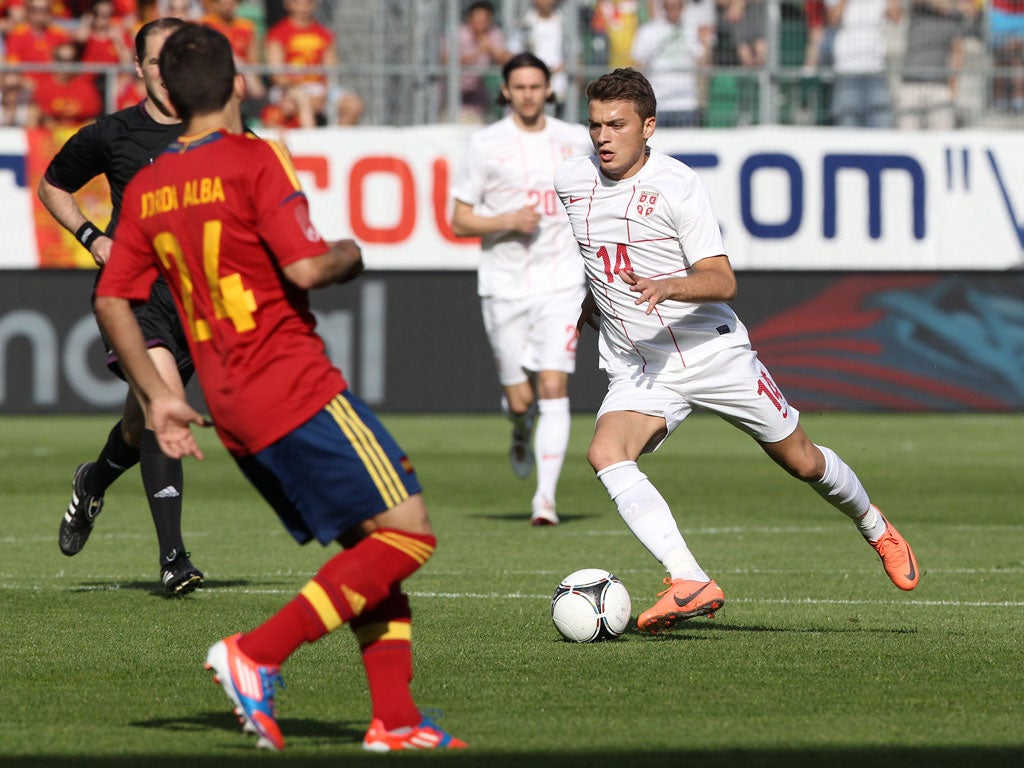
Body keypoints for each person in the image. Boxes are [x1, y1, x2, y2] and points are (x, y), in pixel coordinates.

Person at [92, 23, 467, 753]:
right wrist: (351, 253)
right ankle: (256, 653)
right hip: (292, 380)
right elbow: (304, 269)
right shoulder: (256, 159)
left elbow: (112, 299)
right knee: (410, 534)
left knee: (370, 545)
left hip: (229, 402)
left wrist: (159, 395)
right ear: (238, 84)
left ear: (164, 89)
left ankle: (395, 720)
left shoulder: (149, 186)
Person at [553, 68, 920, 634]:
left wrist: (668, 285)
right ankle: (688, 578)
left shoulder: (678, 186)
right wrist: (589, 304)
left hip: (713, 354)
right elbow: (597, 255)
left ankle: (875, 525)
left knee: (802, 460)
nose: (603, 136)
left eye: (617, 125)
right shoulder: (571, 182)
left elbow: (721, 280)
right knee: (606, 452)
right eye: (595, 124)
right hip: (643, 366)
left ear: (648, 127)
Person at [36, 16, 204, 596]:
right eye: (157, 61)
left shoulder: (223, 135)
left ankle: (93, 478)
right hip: (132, 295)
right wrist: (92, 237)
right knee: (166, 406)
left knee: (139, 424)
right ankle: (174, 560)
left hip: (194, 303)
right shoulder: (112, 133)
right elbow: (52, 185)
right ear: (138, 69)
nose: (168, 72)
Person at [450, 52, 591, 527]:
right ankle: (518, 426)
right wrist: (507, 220)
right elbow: (459, 217)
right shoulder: (486, 144)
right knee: (520, 398)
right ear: (506, 91)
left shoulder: (575, 139)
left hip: (562, 281)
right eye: (520, 87)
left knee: (553, 384)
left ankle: (544, 501)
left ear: (548, 89)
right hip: (505, 284)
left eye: (537, 86)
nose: (529, 94)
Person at [265, 0, 363, 126]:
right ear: (288, 4)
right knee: (303, 101)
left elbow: (331, 71)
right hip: (290, 88)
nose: (303, 7)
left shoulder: (325, 34)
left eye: (308, 2)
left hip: (320, 88)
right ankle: (310, 144)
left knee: (353, 105)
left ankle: (336, 143)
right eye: (298, 3)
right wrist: (300, 89)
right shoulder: (277, 33)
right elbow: (277, 75)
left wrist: (323, 94)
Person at [897, 0, 974, 130]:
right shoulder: (917, 13)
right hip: (911, 84)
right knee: (907, 137)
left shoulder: (953, 21)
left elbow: (957, 54)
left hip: (939, 85)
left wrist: (952, 88)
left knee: (942, 137)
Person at [630, 0, 708, 127]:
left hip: (686, 102)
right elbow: (637, 62)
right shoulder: (649, 30)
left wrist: (706, 42)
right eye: (669, 7)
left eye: (677, 7)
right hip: (658, 102)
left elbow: (702, 61)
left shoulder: (691, 30)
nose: (673, 11)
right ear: (663, 7)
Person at [826, 0, 902, 127]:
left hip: (876, 70)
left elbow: (896, 16)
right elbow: (833, 19)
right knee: (847, 127)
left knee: (882, 126)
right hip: (847, 72)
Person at [442, 0, 511, 124]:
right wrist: (477, 52)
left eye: (485, 20)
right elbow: (446, 59)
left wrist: (490, 49)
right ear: (470, 19)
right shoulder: (459, 34)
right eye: (477, 19)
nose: (481, 24)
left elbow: (507, 59)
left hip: (479, 97)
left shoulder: (493, 34)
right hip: (454, 96)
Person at [510, 0, 569, 116]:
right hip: (531, 83)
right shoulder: (526, 22)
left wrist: (563, 66)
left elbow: (574, 52)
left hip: (559, 84)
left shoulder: (564, 21)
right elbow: (514, 49)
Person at [31, 40, 104, 127]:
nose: (65, 64)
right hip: (51, 134)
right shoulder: (44, 87)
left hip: (79, 134)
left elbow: (92, 118)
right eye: (60, 59)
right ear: (54, 60)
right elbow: (44, 117)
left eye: (70, 60)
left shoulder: (86, 87)